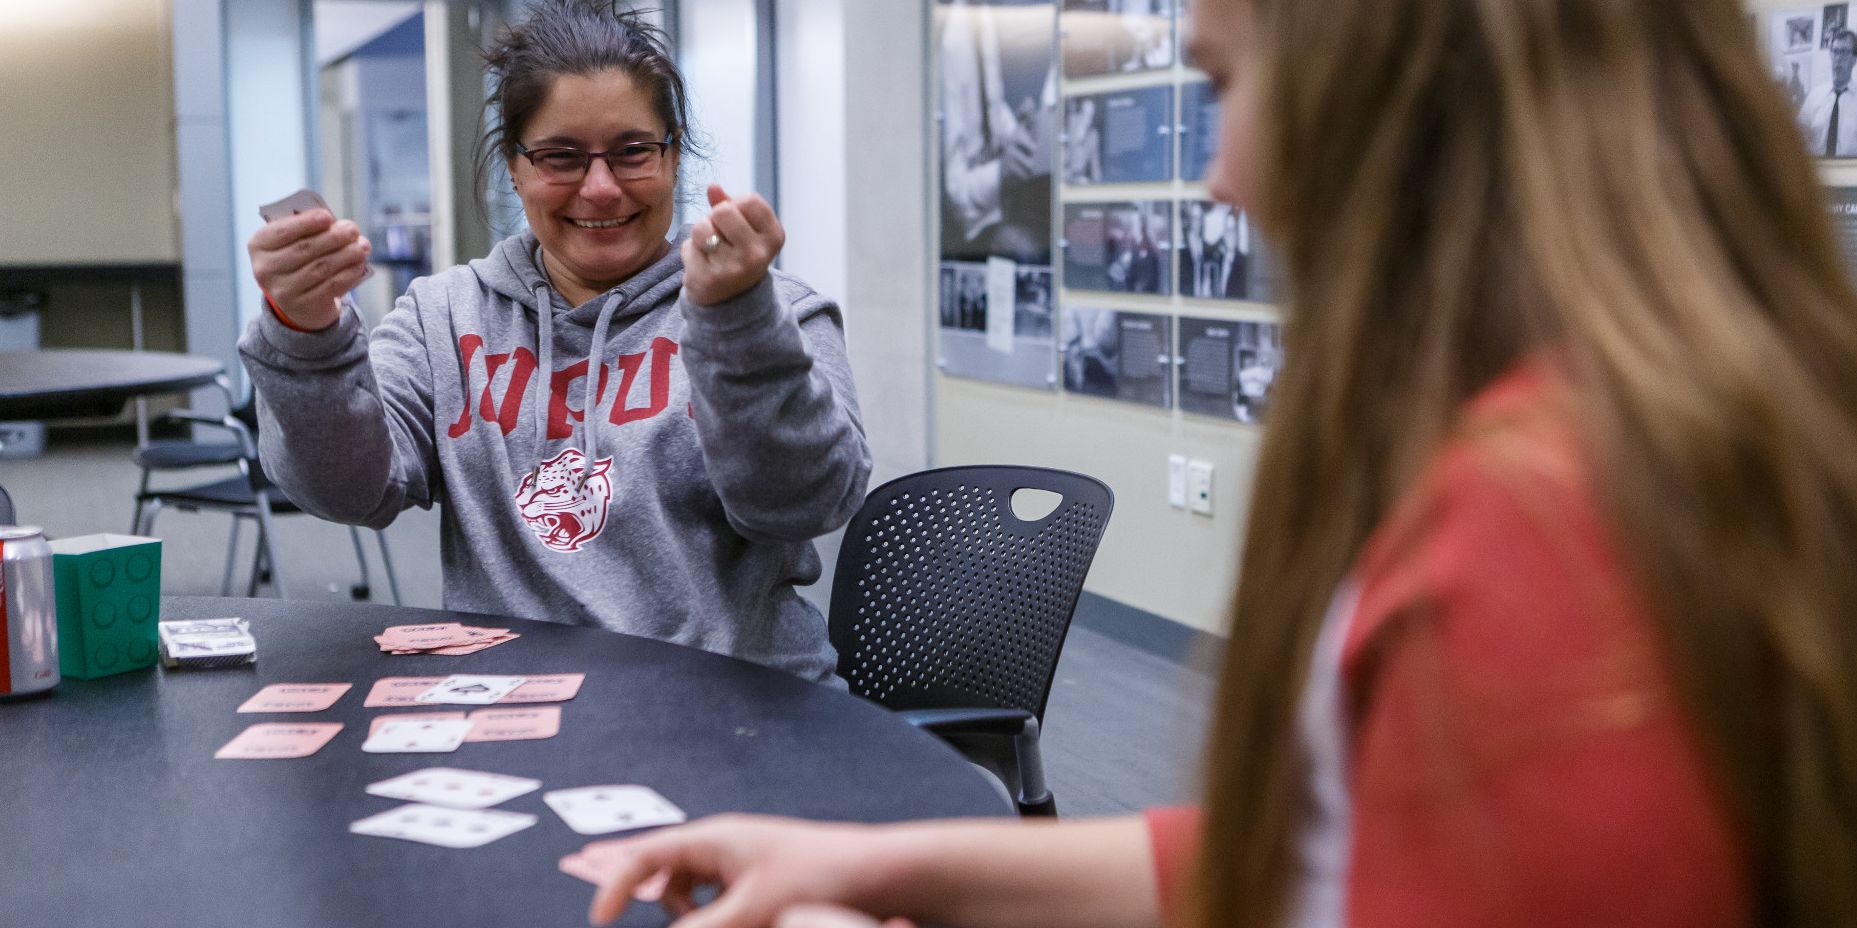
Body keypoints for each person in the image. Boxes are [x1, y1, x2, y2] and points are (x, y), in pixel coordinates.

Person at [585, 0, 1857, 926]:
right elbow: (1329, 859)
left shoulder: (1546, 538)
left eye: (1227, 86)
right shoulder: (1592, 450)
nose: (1221, 176)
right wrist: (877, 868)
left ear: (1401, 99)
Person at [239, 0, 869, 684]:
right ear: (514, 167)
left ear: (674, 154)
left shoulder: (779, 310)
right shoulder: (442, 316)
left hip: (732, 704)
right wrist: (306, 329)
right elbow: (346, 492)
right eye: (560, 157)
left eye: (632, 151)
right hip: (513, 706)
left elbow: (804, 506)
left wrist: (737, 323)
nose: (600, 188)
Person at [1799, 28, 1857, 157]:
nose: (1838, 58)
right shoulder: (1814, 97)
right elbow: (1798, 140)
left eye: (1844, 52)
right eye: (1835, 51)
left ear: (1854, 59)